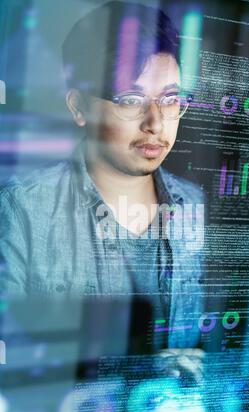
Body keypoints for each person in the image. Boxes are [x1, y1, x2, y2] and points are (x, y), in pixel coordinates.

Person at [0, 1, 205, 367]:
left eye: (171, 99)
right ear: (79, 107)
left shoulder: (191, 204)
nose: (156, 123)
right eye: (130, 99)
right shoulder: (23, 210)